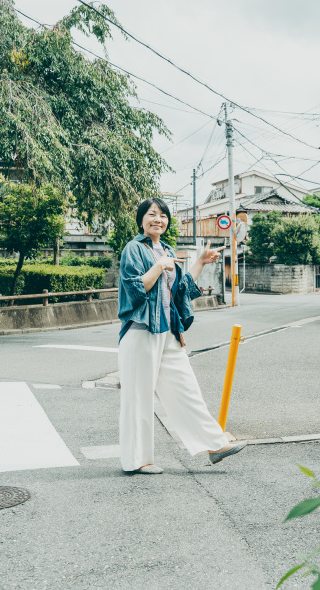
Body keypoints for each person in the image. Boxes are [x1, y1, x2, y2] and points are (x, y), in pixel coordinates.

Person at [117, 198, 247, 474]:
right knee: (138, 398)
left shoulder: (166, 249)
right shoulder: (133, 249)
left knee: (187, 389)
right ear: (141, 220)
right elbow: (135, 290)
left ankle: (214, 445)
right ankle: (138, 460)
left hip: (168, 332)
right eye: (152, 214)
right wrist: (159, 266)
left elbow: (180, 291)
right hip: (141, 332)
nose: (158, 219)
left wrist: (200, 261)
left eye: (163, 216)